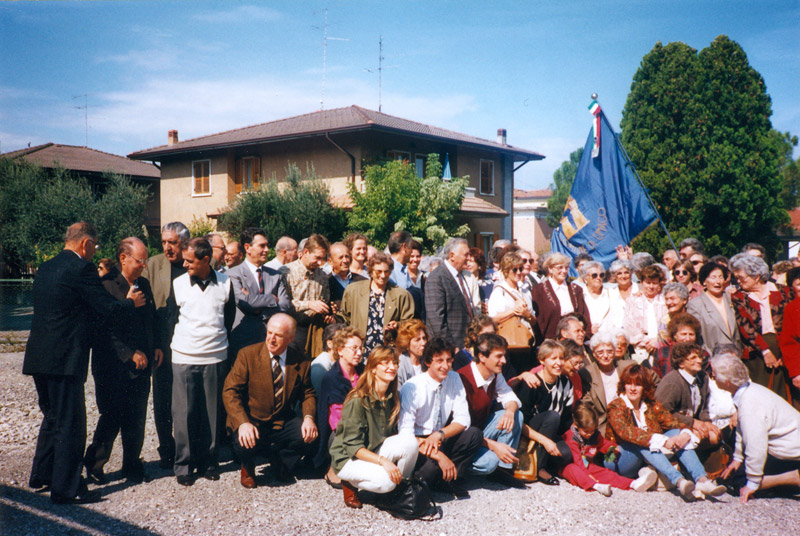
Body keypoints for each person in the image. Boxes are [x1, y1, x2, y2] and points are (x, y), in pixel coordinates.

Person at [24, 222, 145, 504]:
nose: (94, 251)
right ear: (85, 244)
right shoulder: (82, 269)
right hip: (66, 358)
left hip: (39, 356)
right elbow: (105, 307)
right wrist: (131, 304)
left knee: (52, 417)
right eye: (95, 246)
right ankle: (65, 489)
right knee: (71, 424)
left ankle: (42, 474)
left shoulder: (47, 267)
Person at [84, 237, 160, 485]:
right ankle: (95, 463)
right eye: (139, 261)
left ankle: (132, 464)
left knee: (137, 417)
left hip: (142, 365)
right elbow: (103, 331)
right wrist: (129, 353)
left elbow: (151, 319)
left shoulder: (144, 285)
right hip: (113, 366)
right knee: (112, 416)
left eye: (145, 261)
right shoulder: (105, 286)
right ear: (123, 258)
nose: (143, 266)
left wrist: (156, 345)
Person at [223, 313, 318, 489]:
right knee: (242, 441)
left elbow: (308, 392)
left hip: (281, 422)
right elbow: (230, 391)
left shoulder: (301, 360)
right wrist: (243, 422)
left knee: (309, 437)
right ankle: (247, 466)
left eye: (278, 335)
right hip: (253, 420)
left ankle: (281, 461)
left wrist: (308, 418)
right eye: (269, 333)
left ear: (290, 338)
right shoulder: (247, 355)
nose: (271, 339)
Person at [606, 363, 726, 499]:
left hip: (646, 457)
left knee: (677, 432)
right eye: (629, 384)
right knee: (643, 440)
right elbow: (627, 432)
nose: (632, 388)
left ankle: (702, 480)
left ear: (644, 387)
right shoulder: (616, 406)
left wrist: (685, 434)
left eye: (638, 384)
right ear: (623, 386)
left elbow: (674, 422)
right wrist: (663, 441)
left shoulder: (651, 405)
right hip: (619, 460)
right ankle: (679, 481)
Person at [170, 237, 235, 486]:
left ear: (206, 260)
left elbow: (227, 319)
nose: (184, 264)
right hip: (184, 356)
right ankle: (183, 465)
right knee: (184, 413)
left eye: (190, 261)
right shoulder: (178, 284)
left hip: (215, 357)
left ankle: (209, 462)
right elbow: (171, 319)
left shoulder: (226, 283)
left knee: (212, 414)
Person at [330, 346, 419, 509]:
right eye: (385, 362)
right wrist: (383, 461)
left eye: (394, 363)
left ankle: (398, 492)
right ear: (372, 367)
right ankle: (349, 482)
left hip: (373, 449)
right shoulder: (358, 400)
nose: (392, 367)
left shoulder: (392, 398)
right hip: (348, 458)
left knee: (411, 443)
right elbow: (352, 446)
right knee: (387, 481)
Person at [398, 337, 483, 499]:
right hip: (418, 441)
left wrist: (440, 435)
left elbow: (463, 419)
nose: (445, 366)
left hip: (440, 435)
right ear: (428, 362)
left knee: (474, 434)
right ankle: (437, 478)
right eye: (439, 361)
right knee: (430, 470)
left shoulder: (454, 378)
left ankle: (448, 478)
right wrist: (439, 456)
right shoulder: (412, 386)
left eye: (449, 360)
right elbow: (405, 433)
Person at [713, 352, 800, 503]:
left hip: (791, 453)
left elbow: (756, 444)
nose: (712, 377)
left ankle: (792, 477)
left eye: (714, 374)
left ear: (727, 382)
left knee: (737, 482)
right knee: (731, 473)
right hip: (788, 448)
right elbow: (742, 428)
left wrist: (753, 482)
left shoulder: (750, 403)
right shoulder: (749, 389)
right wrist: (738, 458)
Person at [580, 331, 658, 481]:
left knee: (641, 438)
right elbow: (586, 406)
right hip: (605, 428)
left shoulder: (628, 366)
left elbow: (653, 379)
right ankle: (648, 470)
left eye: (609, 351)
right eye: (600, 352)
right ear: (594, 354)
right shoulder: (587, 373)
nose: (605, 355)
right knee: (618, 462)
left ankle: (649, 471)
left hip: (634, 422)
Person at [143, 220, 189, 469]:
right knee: (162, 399)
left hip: (190, 343)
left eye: (172, 242)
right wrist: (154, 344)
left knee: (188, 398)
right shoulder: (154, 264)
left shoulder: (199, 262)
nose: (167, 247)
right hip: (162, 343)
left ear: (184, 242)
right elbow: (147, 308)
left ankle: (189, 447)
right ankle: (166, 449)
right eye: (164, 242)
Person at [456, 333, 525, 488]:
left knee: (516, 414)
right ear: (482, 357)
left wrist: (509, 412)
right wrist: (494, 446)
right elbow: (461, 429)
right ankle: (463, 470)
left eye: (504, 356)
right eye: (499, 356)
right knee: (488, 463)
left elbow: (511, 398)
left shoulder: (494, 375)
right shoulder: (461, 378)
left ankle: (502, 470)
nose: (504, 361)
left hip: (479, 432)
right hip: (462, 439)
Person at [729, 252, 794, 401]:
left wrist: (784, 353)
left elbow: (790, 324)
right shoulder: (739, 297)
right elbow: (746, 328)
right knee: (761, 394)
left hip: (783, 347)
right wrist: (765, 351)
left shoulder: (783, 291)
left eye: (742, 278)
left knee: (785, 393)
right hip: (756, 353)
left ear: (756, 276)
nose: (739, 282)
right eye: (736, 278)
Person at [560, 403, 658, 496]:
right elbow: (577, 461)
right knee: (574, 470)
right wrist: (588, 475)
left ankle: (633, 484)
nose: (590, 434)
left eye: (592, 431)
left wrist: (611, 447)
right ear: (577, 426)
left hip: (587, 464)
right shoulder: (571, 438)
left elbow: (603, 443)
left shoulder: (594, 435)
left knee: (605, 473)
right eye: (586, 432)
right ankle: (595, 486)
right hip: (570, 465)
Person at [513, 340, 574, 485]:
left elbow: (566, 419)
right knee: (552, 416)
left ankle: (544, 461)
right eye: (553, 359)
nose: (558, 363)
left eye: (561, 358)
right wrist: (546, 441)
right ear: (542, 360)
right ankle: (539, 468)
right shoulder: (531, 383)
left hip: (551, 432)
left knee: (565, 455)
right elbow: (520, 424)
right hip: (527, 433)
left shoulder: (566, 383)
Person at [227, 227, 293, 355]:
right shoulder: (233, 274)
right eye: (262, 246)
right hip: (243, 340)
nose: (267, 250)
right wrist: (272, 299)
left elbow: (285, 306)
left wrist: (256, 305)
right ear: (247, 248)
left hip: (269, 341)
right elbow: (243, 302)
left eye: (267, 245)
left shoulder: (276, 275)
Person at [316, 327, 365, 488]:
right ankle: (332, 468)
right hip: (341, 432)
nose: (358, 353)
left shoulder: (363, 373)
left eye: (360, 348)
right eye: (354, 348)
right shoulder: (333, 378)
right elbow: (337, 420)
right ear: (340, 350)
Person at [339, 252, 415, 356]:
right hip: (360, 353)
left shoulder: (401, 295)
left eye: (386, 272)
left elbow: (410, 324)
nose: (383, 275)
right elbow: (344, 319)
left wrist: (397, 325)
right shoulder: (353, 291)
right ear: (370, 271)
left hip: (387, 353)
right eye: (378, 271)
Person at [655, 343, 721, 447]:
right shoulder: (672, 383)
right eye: (693, 358)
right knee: (703, 436)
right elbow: (662, 413)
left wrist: (706, 422)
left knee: (715, 435)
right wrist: (692, 422)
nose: (699, 360)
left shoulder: (702, 376)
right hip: (672, 426)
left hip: (691, 422)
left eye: (699, 357)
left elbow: (704, 406)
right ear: (681, 363)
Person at [487, 251, 536, 374]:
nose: (518, 273)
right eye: (514, 270)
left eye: (520, 269)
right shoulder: (499, 292)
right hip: (509, 346)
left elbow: (534, 321)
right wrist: (513, 311)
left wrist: (527, 314)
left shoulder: (525, 291)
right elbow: (492, 320)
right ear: (506, 271)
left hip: (526, 344)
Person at [286, 234, 333, 357]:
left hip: (316, 330)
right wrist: (309, 304)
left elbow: (326, 300)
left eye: (322, 258)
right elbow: (284, 304)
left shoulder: (322, 276)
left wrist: (327, 313)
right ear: (306, 252)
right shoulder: (286, 272)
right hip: (294, 329)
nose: (319, 262)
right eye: (317, 258)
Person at [424, 238, 475, 348]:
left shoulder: (461, 275)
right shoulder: (437, 278)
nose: (469, 258)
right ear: (452, 256)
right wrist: (450, 348)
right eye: (466, 255)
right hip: (450, 348)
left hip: (466, 343)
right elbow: (436, 319)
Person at [531, 252, 591, 341]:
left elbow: (583, 316)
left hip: (573, 341)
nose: (564, 271)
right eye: (560, 267)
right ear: (550, 269)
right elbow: (538, 320)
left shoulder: (576, 289)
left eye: (566, 267)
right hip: (550, 341)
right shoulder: (539, 290)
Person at [687, 262, 742, 355]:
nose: (718, 281)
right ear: (704, 281)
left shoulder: (731, 298)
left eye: (720, 277)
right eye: (713, 277)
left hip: (736, 355)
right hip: (713, 357)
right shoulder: (695, 305)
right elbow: (697, 337)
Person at [624, 264, 667, 366]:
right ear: (642, 283)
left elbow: (669, 324)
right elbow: (629, 325)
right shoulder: (632, 301)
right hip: (641, 348)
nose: (651, 286)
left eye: (654, 283)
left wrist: (657, 341)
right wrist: (646, 341)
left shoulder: (665, 301)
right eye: (648, 283)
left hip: (662, 346)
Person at [652, 312, 705, 378]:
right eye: (683, 334)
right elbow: (655, 380)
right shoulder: (662, 353)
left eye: (691, 334)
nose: (688, 338)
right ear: (674, 335)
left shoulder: (702, 355)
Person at [778, 267, 800, 396]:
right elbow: (789, 343)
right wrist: (796, 372)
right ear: (792, 287)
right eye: (799, 284)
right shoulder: (792, 308)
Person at [580, 261, 615, 334]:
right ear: (585, 278)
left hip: (608, 337)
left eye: (601, 275)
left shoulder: (611, 292)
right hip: (587, 338)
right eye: (594, 275)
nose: (598, 278)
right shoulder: (580, 294)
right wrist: (588, 329)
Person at [310, 323, 346, 394]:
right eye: (341, 341)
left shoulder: (338, 362)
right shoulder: (320, 367)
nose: (345, 344)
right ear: (329, 344)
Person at [395, 319, 428, 387]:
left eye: (424, 338)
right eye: (417, 340)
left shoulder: (428, 361)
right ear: (406, 343)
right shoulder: (400, 365)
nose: (423, 343)